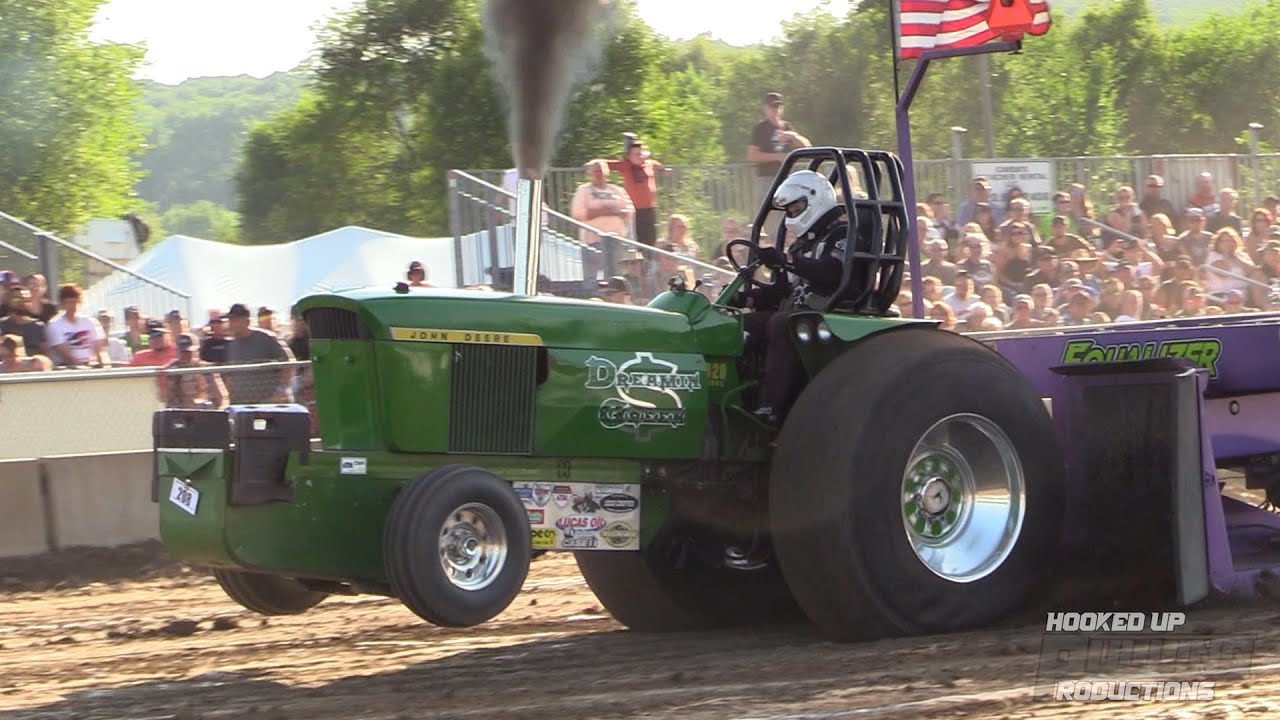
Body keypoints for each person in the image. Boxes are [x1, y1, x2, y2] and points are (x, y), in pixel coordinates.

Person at [737, 170, 846, 427]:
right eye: (788, 210)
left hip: (832, 310)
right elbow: (784, 291)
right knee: (743, 325)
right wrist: (747, 300)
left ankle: (771, 408)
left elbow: (833, 274)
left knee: (781, 324)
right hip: (800, 310)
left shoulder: (841, 235)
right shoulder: (802, 244)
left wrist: (788, 261)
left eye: (796, 208)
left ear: (814, 199)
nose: (791, 215)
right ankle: (741, 396)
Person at [748, 92, 811, 201]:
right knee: (771, 211)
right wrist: (778, 157)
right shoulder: (760, 128)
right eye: (772, 106)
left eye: (778, 106)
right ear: (765, 108)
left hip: (786, 177)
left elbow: (808, 147)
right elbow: (752, 155)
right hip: (767, 178)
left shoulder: (786, 126)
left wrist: (793, 136)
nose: (775, 109)